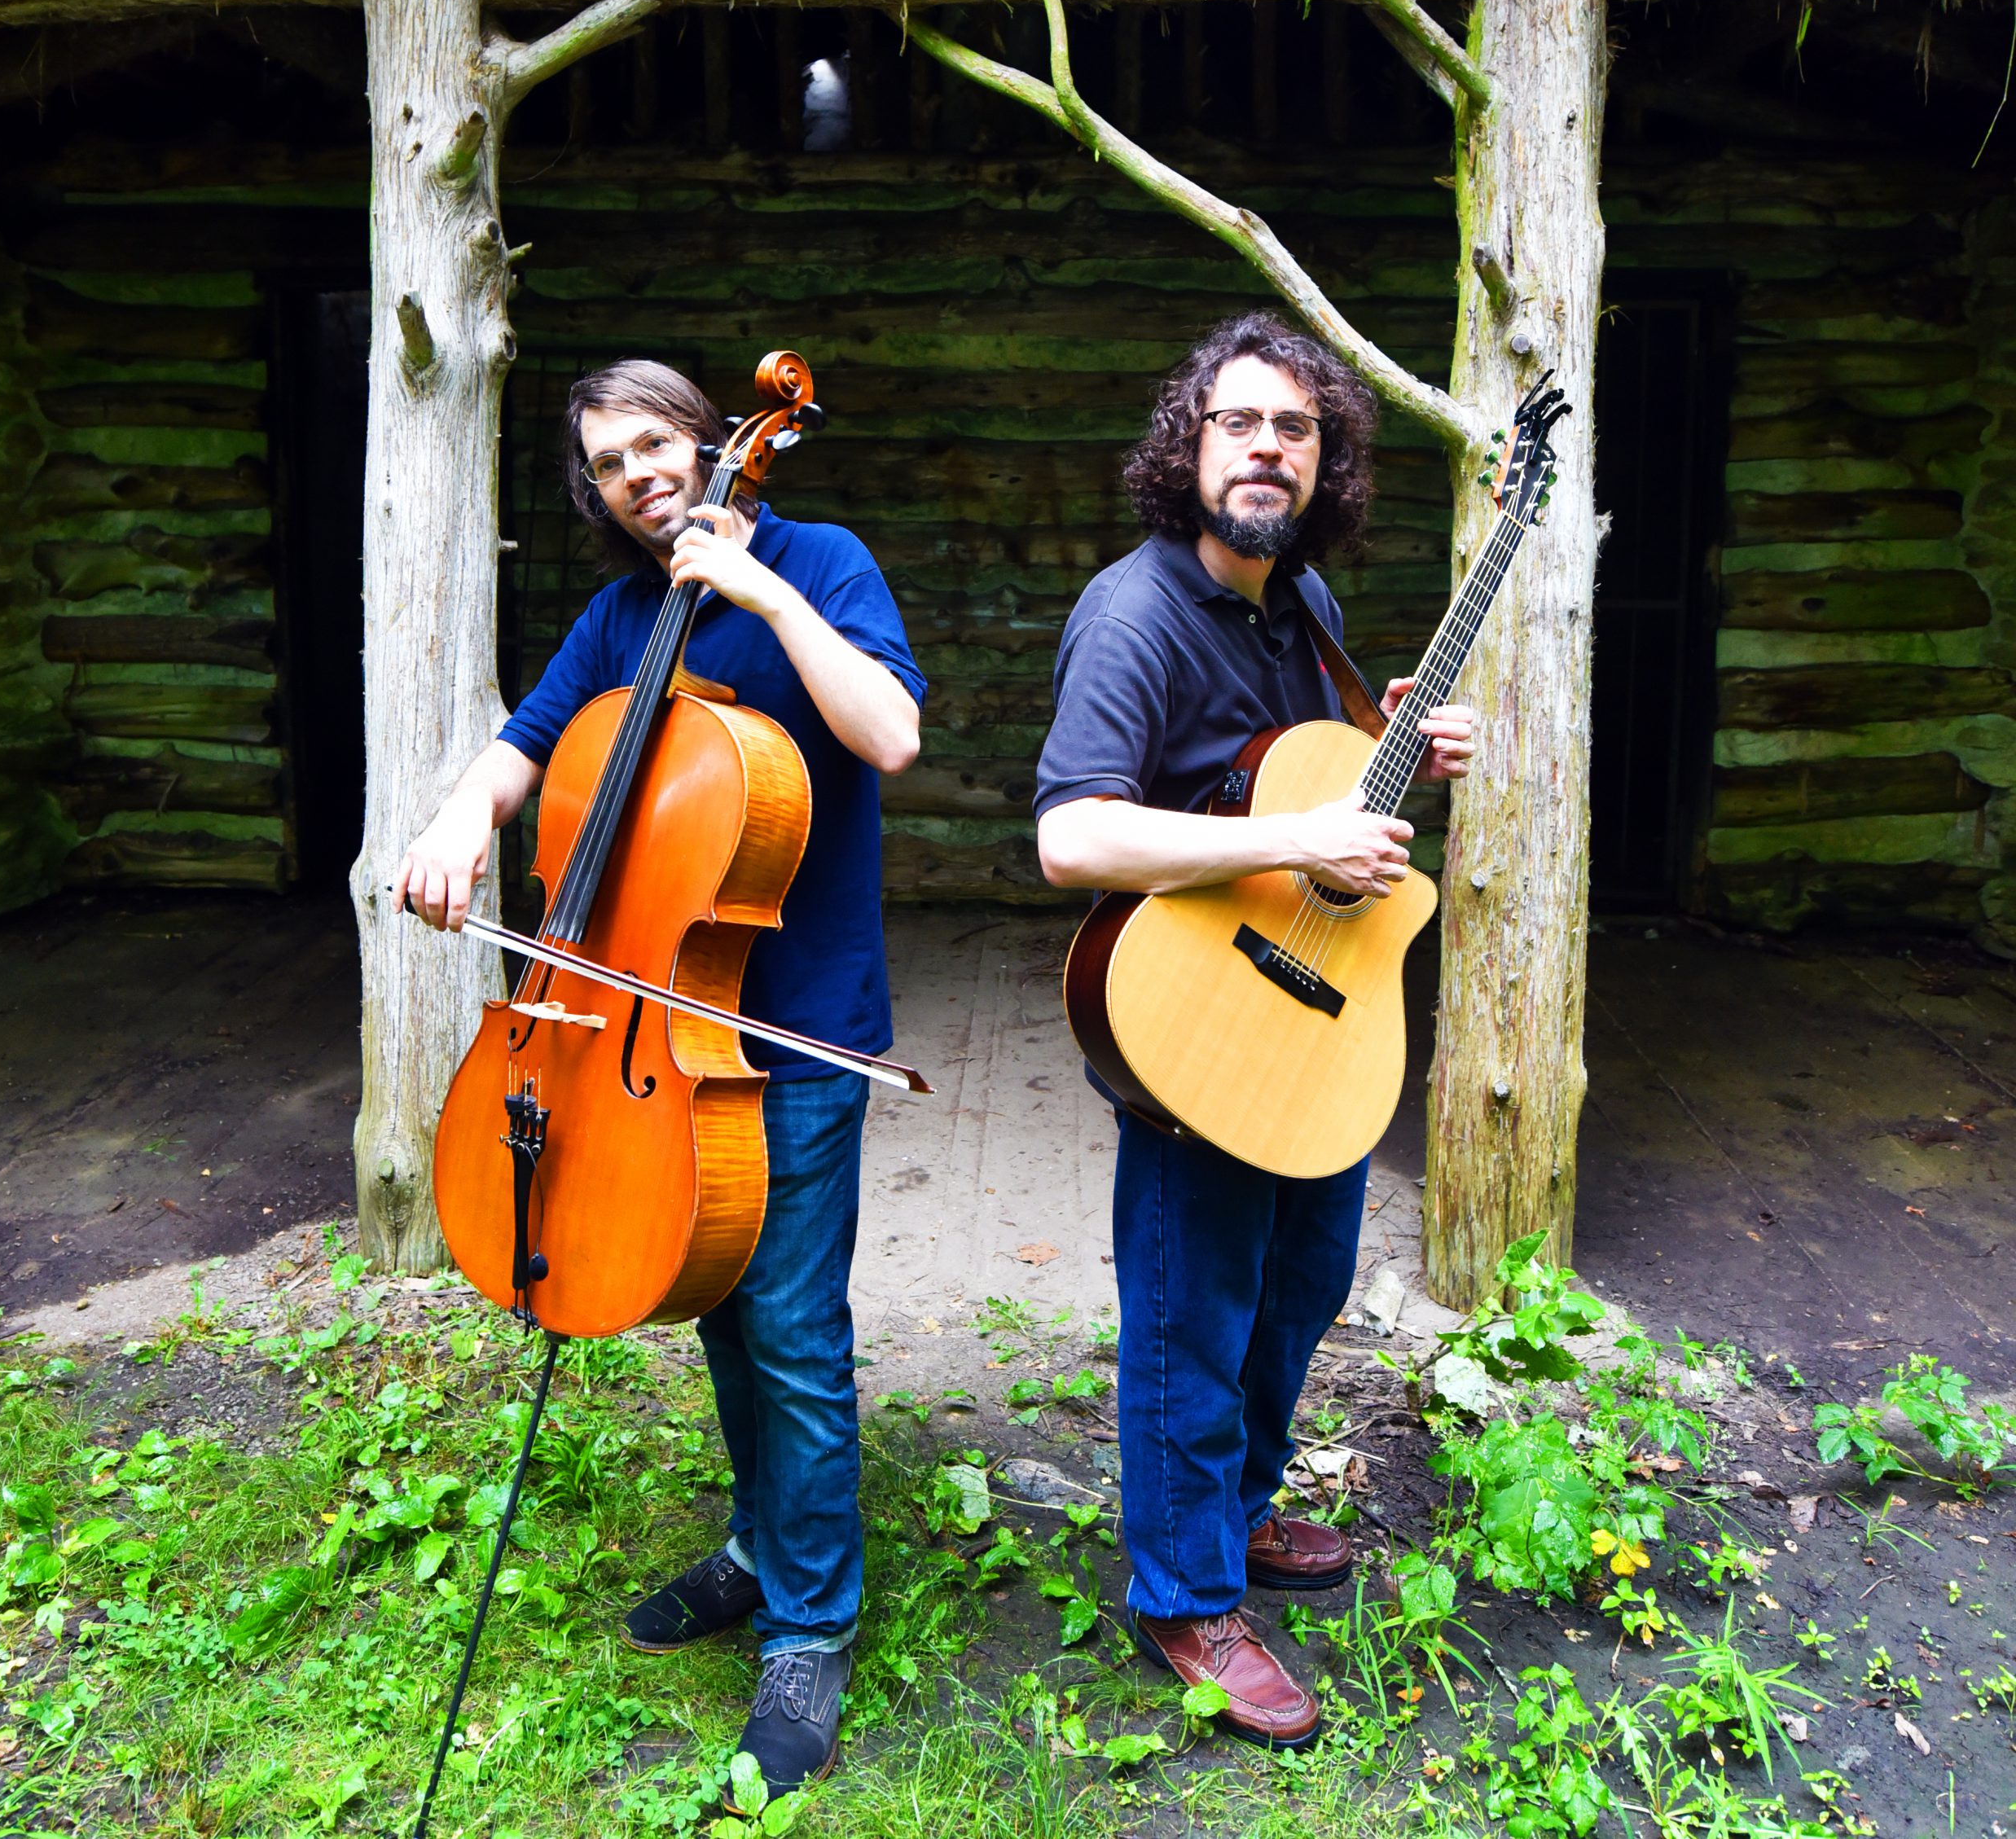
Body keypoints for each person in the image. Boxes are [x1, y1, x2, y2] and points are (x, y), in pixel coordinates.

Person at [395, 359, 924, 1803]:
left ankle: (813, 1626)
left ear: (709, 442)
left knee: (794, 1331)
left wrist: (766, 600)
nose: (639, 474)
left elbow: (890, 732)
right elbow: (522, 750)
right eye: (609, 463)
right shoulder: (623, 617)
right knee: (716, 1309)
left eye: (657, 444)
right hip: (642, 1027)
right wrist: (458, 820)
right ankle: (764, 1546)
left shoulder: (820, 562)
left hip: (795, 1026)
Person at [1034, 311, 1476, 1749]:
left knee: (1300, 1290)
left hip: (1316, 1017)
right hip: (1194, 1022)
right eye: (1241, 423)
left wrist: (1395, 736)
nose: (1268, 449)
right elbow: (1074, 837)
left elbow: (1319, 801)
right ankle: (1183, 1592)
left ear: (1323, 460)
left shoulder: (1310, 610)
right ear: (1192, 442)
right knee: (1192, 1313)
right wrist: (1310, 825)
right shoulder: (1135, 612)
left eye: (1297, 429)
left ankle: (1233, 1510)